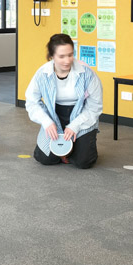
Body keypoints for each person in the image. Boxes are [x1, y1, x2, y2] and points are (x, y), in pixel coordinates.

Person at [25, 34, 102, 168]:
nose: (67, 60)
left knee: (83, 162)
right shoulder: (42, 74)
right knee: (46, 159)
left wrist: (74, 126)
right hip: (55, 117)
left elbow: (94, 107)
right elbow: (32, 101)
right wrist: (47, 122)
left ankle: (76, 148)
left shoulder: (87, 74)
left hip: (81, 117)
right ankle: (61, 150)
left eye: (70, 55)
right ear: (52, 56)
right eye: (61, 56)